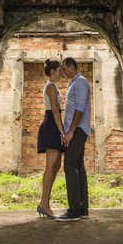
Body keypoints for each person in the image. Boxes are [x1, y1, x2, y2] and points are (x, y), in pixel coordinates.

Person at [55, 57, 90, 222]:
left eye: (64, 68)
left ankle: (74, 210)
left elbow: (80, 107)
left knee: (69, 164)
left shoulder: (81, 83)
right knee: (78, 165)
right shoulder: (74, 83)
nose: (62, 71)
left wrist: (70, 132)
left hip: (78, 130)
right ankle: (82, 209)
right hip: (76, 129)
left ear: (72, 67)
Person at [36, 59, 66, 219]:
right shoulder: (51, 87)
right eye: (60, 70)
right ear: (53, 70)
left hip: (53, 124)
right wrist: (62, 132)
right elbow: (55, 110)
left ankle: (45, 203)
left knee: (56, 165)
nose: (62, 73)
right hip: (52, 125)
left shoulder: (52, 86)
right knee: (50, 167)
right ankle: (44, 204)